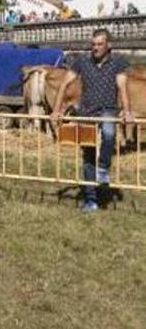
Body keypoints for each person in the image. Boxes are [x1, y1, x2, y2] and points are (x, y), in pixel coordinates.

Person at [51, 29, 134, 213]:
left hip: (108, 110)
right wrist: (56, 110)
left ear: (108, 45)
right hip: (87, 111)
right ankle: (90, 199)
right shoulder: (82, 61)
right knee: (88, 156)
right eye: (93, 44)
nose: (95, 48)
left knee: (109, 132)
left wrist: (127, 112)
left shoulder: (118, 62)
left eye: (99, 44)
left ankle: (103, 168)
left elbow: (122, 87)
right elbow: (65, 84)